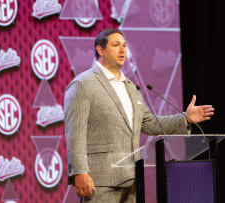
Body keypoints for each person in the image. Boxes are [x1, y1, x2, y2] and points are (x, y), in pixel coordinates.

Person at [64, 29, 214, 203]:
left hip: (132, 180)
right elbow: (75, 133)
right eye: (115, 45)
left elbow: (149, 123)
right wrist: (80, 172)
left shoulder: (130, 87)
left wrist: (184, 118)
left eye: (124, 46)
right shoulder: (83, 84)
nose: (122, 50)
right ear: (100, 50)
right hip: (101, 181)